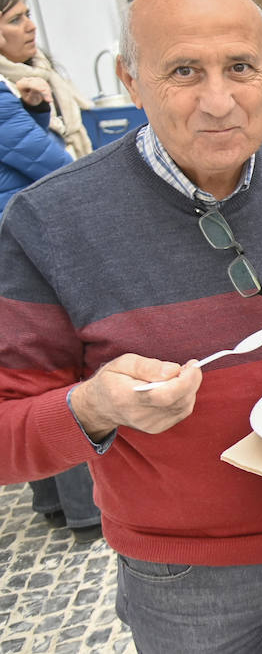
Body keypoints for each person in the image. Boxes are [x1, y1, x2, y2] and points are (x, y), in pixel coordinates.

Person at [0, 0, 262, 652]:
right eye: (184, 71)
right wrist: (96, 407)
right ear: (130, 79)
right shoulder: (50, 221)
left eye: (240, 68)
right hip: (184, 576)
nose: (219, 102)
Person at [0, 43, 102, 546]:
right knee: (54, 370)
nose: (29, 26)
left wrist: (35, 111)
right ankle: (84, 508)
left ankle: (51, 501)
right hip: (24, 248)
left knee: (22, 368)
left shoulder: (12, 88)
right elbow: (54, 169)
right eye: (15, 18)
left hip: (14, 244)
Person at [0, 0, 91, 158]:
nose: (31, 26)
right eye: (15, 20)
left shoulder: (45, 70)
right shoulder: (5, 91)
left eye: (27, 15)